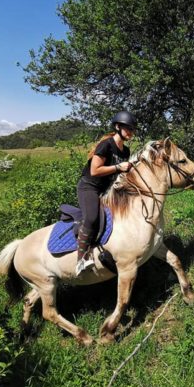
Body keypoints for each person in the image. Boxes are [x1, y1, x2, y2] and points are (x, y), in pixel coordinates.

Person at [75, 111, 137, 275]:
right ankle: (81, 259)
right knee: (92, 217)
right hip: (89, 187)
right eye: (127, 128)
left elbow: (119, 173)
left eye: (132, 129)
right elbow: (95, 171)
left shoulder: (126, 151)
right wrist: (118, 167)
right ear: (118, 127)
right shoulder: (106, 145)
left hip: (106, 189)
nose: (130, 132)